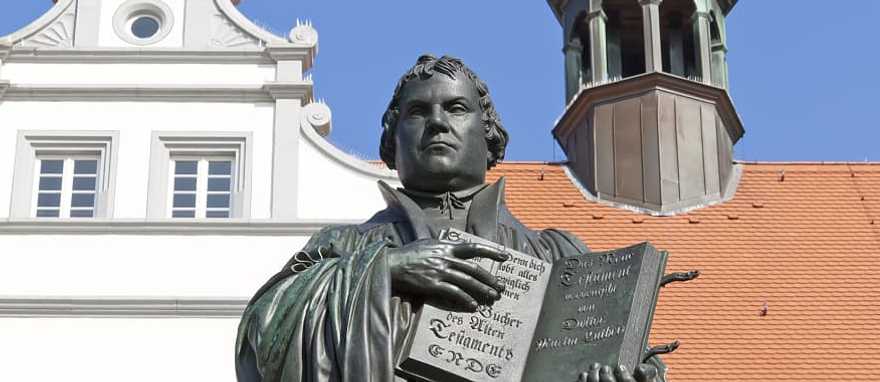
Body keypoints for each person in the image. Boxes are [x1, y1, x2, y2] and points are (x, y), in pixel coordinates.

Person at [235, 55, 662, 382]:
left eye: (456, 108)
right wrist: (386, 269)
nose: (437, 122)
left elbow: (626, 353)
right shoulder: (344, 246)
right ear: (393, 137)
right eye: (417, 112)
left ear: (487, 131)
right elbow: (261, 338)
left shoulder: (559, 256)